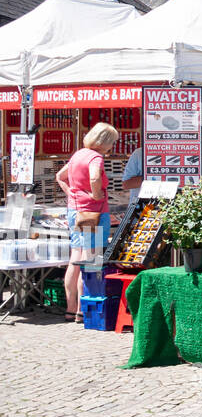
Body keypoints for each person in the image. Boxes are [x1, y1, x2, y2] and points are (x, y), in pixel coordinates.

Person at [56, 122, 119, 323]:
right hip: (94, 212)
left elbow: (60, 176)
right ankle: (85, 309)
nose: (112, 147)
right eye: (112, 143)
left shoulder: (78, 154)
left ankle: (70, 307)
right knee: (91, 258)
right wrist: (96, 194)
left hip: (75, 211)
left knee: (75, 257)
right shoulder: (95, 157)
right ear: (105, 142)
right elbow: (94, 177)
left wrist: (73, 194)